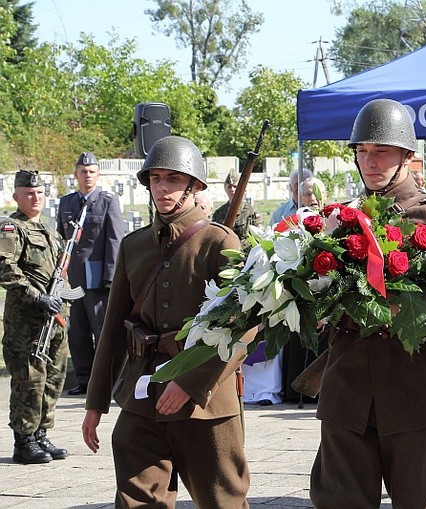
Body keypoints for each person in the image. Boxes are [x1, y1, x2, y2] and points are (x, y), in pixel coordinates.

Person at [310, 98, 426, 508]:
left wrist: (401, 314)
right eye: (362, 151)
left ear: (407, 155)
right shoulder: (340, 220)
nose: (370, 161)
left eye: (381, 151)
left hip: (412, 392)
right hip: (346, 391)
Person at [81, 136, 250, 508]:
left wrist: (190, 382)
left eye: (173, 178)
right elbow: (113, 329)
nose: (162, 187)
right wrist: (96, 402)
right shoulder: (133, 245)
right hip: (143, 394)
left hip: (205, 404)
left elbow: (243, 326)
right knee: (136, 499)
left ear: (195, 186)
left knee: (223, 500)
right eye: (155, 178)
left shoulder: (219, 243)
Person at [0, 170, 70, 464]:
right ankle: (24, 440)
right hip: (27, 322)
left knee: (54, 377)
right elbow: (5, 269)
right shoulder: (10, 229)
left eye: (40, 193)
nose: (35, 198)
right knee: (29, 379)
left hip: (55, 320)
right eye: (28, 193)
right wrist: (37, 296)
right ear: (16, 196)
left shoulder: (50, 232)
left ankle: (42, 433)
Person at [56, 152, 125, 396]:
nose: (87, 176)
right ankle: (84, 378)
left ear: (98, 175)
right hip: (72, 277)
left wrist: (110, 277)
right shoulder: (66, 203)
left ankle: (107, 380)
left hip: (97, 278)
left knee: (102, 330)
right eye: (83, 172)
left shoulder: (107, 201)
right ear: (76, 174)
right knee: (77, 332)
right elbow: (59, 240)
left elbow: (115, 240)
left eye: (92, 172)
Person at [211, 168, 261, 239]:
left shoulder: (251, 211)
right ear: (225, 189)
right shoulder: (218, 213)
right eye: (229, 187)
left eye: (235, 186)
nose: (232, 190)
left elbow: (259, 234)